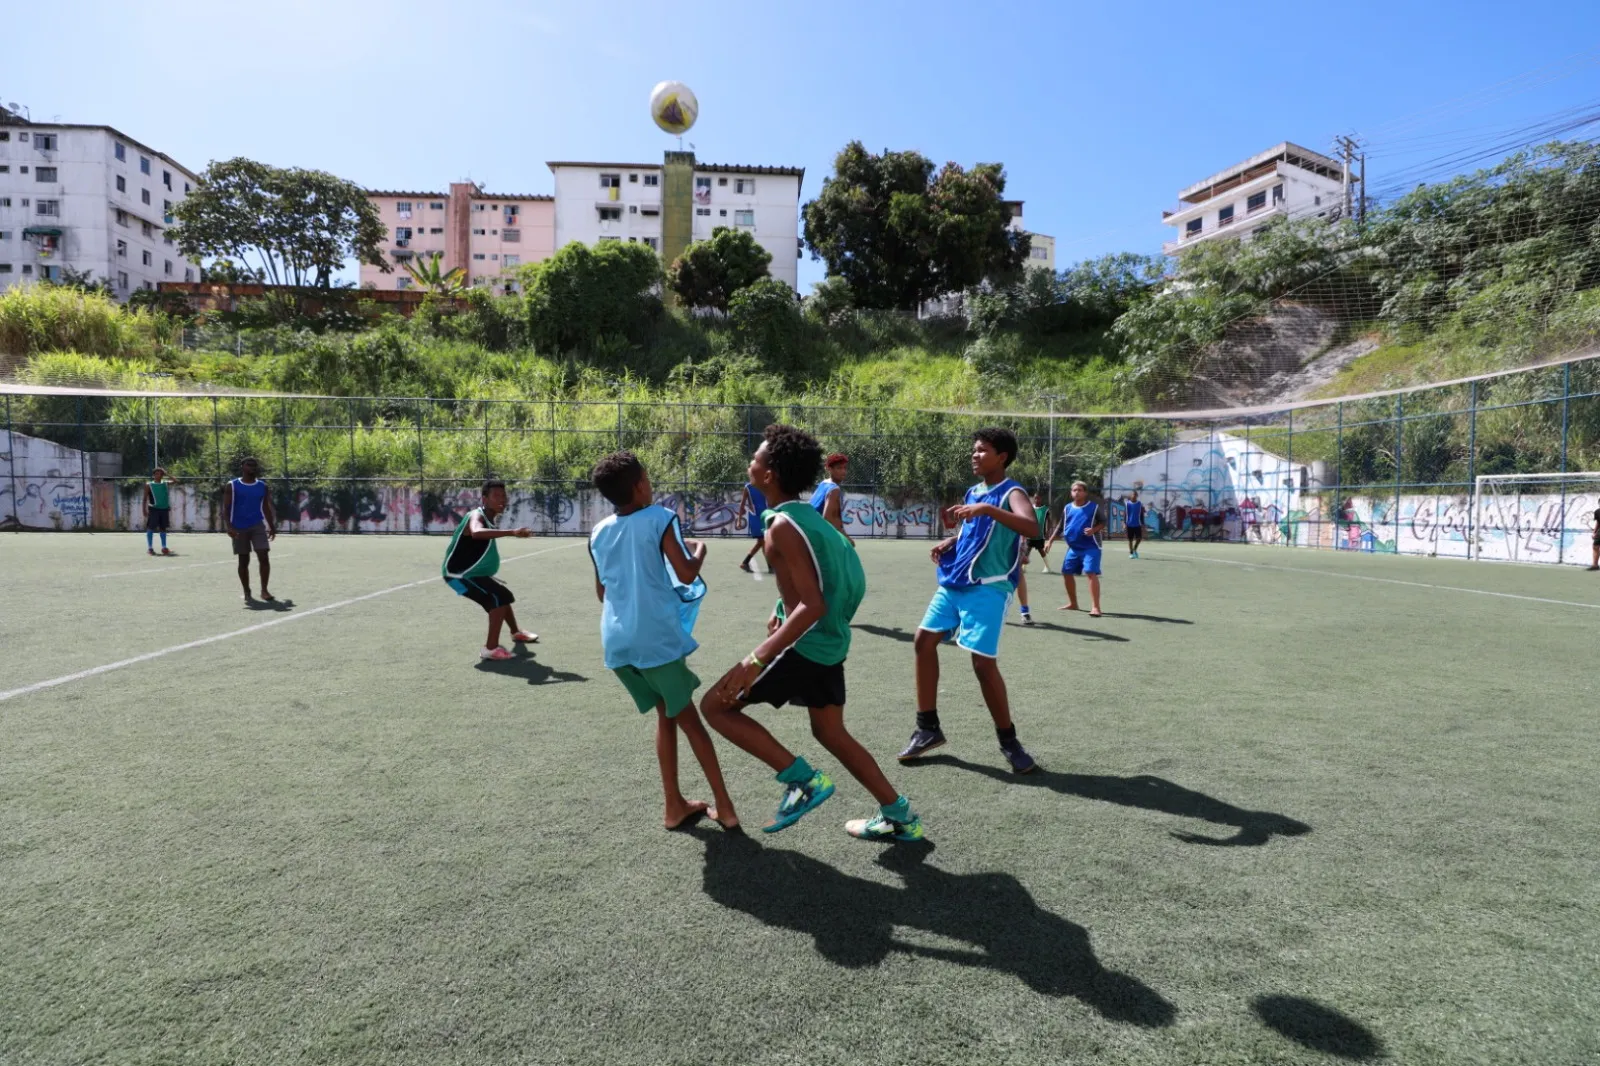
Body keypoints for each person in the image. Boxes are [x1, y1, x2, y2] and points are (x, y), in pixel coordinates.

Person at [702, 424, 924, 842]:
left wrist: (755, 660)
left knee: (715, 707)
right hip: (830, 641)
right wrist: (780, 608)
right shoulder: (810, 520)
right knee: (830, 731)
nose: (750, 461)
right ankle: (900, 816)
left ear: (769, 475)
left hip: (808, 643)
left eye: (757, 457)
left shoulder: (782, 526)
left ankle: (802, 781)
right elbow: (831, 578)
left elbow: (813, 604)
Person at [590, 451, 739, 832]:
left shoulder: (598, 531)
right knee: (691, 722)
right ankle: (724, 806)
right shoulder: (660, 518)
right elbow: (687, 573)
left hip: (618, 644)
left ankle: (674, 805)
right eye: (649, 478)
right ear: (640, 485)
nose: (651, 485)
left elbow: (601, 593)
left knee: (666, 714)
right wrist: (700, 550)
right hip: (653, 640)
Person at [899, 427, 1040, 774]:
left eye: (982, 451)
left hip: (989, 587)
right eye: (974, 450)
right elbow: (970, 529)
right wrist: (952, 540)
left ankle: (1009, 741)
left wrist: (988, 510)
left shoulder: (1012, 491)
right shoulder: (975, 491)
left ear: (1002, 457)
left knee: (982, 664)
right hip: (955, 582)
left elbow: (1031, 527)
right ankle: (927, 728)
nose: (974, 455)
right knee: (923, 641)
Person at [441, 478, 537, 660]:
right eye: (496, 496)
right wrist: (512, 532)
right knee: (498, 599)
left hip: (472, 575)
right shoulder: (475, 516)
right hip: (457, 577)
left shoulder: (489, 519)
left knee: (502, 595)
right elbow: (476, 532)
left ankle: (516, 632)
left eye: (503, 495)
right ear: (484, 498)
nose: (502, 499)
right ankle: (490, 649)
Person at [1045, 481, 1105, 617]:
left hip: (1091, 546)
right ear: (1071, 493)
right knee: (1066, 572)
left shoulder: (1094, 507)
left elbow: (1103, 522)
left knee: (1090, 572)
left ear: (1085, 493)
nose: (1076, 492)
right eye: (1074, 490)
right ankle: (1073, 604)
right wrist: (1050, 541)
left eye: (1079, 490)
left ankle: (1096, 607)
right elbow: (1060, 526)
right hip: (1073, 547)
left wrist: (1093, 530)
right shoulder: (1067, 508)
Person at [222, 458, 277, 602]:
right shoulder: (232, 485)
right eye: (249, 465)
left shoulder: (262, 486)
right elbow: (226, 508)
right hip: (239, 527)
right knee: (243, 560)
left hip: (257, 525)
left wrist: (271, 525)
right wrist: (229, 526)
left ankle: (264, 590)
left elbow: (265, 506)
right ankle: (247, 590)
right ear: (242, 467)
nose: (252, 467)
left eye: (254, 465)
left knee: (264, 556)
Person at [1014, 489, 1056, 625]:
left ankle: (1047, 566)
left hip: (1039, 534)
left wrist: (1049, 531)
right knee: (1027, 551)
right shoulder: (1028, 509)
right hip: (1027, 535)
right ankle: (1023, 565)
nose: (1036, 500)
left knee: (1040, 551)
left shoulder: (1045, 509)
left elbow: (1049, 521)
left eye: (1038, 498)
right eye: (1035, 498)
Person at [810, 452, 850, 539]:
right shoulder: (834, 489)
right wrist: (846, 537)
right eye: (839, 468)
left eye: (844, 468)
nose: (843, 471)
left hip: (808, 529)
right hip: (817, 535)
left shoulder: (823, 483)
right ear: (829, 469)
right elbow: (828, 518)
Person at [737, 480, 768, 572]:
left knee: (763, 542)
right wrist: (739, 520)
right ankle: (745, 562)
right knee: (762, 541)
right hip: (755, 517)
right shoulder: (748, 487)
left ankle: (770, 566)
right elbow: (742, 504)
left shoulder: (765, 484)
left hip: (765, 516)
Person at [144, 467, 173, 556]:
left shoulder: (165, 483)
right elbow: (144, 498)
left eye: (160, 473)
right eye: (156, 473)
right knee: (151, 528)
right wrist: (143, 510)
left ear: (162, 475)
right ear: (153, 475)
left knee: (163, 529)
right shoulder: (149, 485)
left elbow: (176, 481)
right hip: (154, 509)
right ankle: (150, 548)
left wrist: (167, 473)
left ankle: (164, 547)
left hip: (164, 509)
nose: (158, 475)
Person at [1123, 490, 1146, 559]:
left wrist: (1143, 524)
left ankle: (1135, 549)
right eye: (1133, 495)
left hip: (1137, 524)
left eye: (1135, 495)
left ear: (1137, 496)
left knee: (1139, 538)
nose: (1134, 496)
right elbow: (1125, 514)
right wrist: (1124, 523)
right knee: (1130, 540)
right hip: (1129, 524)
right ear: (1131, 496)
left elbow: (1141, 514)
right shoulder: (1127, 504)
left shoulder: (1139, 504)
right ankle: (1131, 553)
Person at [1589, 504, 1600, 571]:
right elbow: (1598, 522)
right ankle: (1595, 565)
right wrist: (1594, 532)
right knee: (1595, 546)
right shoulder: (1597, 511)